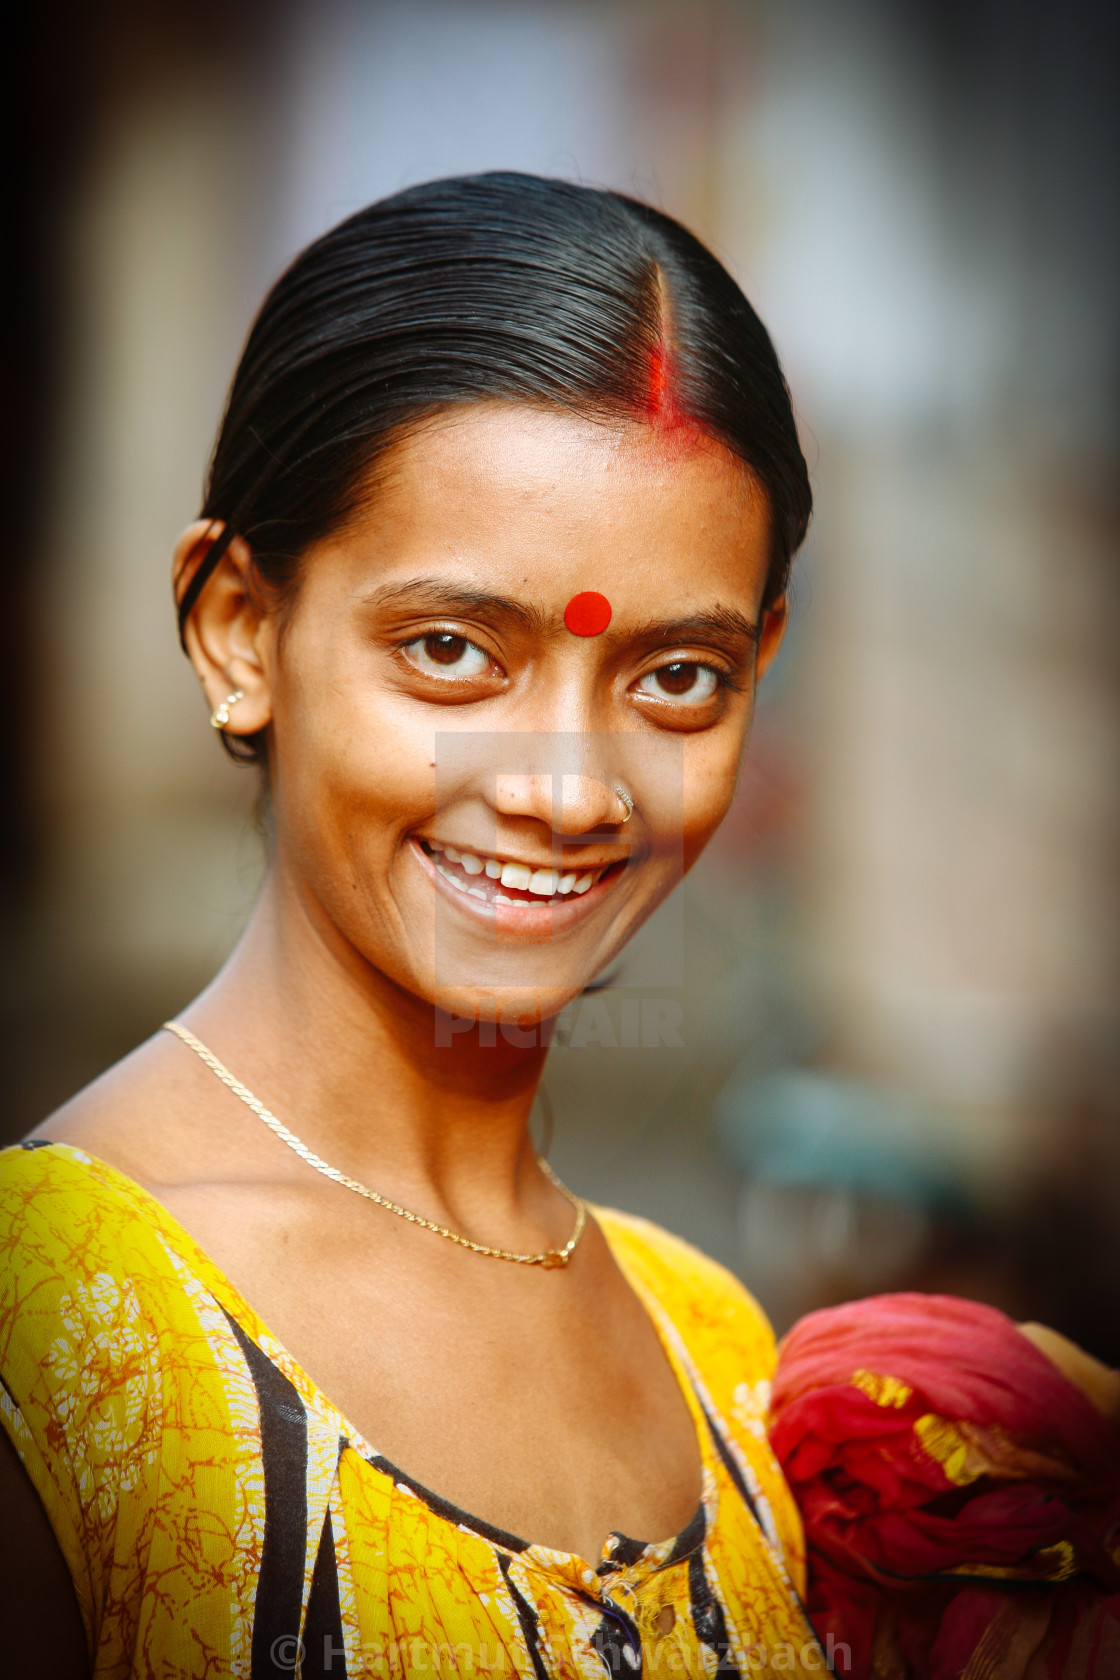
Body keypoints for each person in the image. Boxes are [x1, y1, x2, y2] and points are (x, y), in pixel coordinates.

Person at [0, 174, 825, 1678]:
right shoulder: (51, 1341)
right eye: (451, 652)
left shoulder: (724, 1355)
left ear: (761, 666)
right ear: (239, 631)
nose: (571, 791)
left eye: (679, 679)